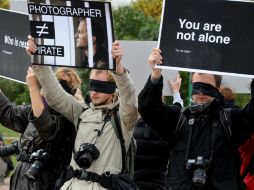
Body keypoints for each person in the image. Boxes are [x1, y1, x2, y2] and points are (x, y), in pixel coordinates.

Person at [26, 36, 138, 189]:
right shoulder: (81, 112)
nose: (94, 92)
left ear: (113, 89)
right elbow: (55, 94)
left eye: (101, 86)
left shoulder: (124, 119)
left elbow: (129, 99)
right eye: (92, 85)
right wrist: (39, 59)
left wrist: (119, 70)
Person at [138, 48, 254, 190]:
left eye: (206, 88)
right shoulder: (178, 118)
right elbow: (149, 109)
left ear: (217, 88)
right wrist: (155, 76)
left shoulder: (231, 120)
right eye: (197, 87)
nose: (201, 94)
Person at [0, 68, 81, 190]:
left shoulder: (69, 118)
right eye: (54, 82)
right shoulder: (33, 109)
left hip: (47, 182)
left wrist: (33, 88)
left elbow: (46, 127)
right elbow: (9, 114)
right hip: (21, 180)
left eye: (62, 86)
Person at [134, 74, 183, 190]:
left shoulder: (132, 126)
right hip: (159, 184)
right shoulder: (168, 127)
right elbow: (179, 110)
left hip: (134, 184)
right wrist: (176, 91)